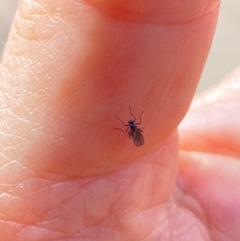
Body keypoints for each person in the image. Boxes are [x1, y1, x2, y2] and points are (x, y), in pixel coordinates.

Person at [0, 0, 239, 240]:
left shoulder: (132, 126)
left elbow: (135, 129)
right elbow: (135, 130)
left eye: (131, 123)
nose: (131, 124)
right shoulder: (133, 127)